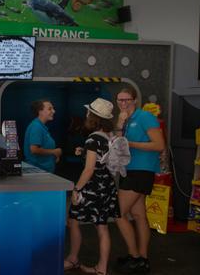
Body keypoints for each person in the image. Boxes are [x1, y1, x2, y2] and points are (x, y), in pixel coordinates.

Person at [64, 98, 120, 275]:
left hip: (91, 187)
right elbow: (102, 159)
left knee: (73, 220)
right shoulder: (109, 136)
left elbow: (89, 170)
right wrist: (84, 151)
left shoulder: (92, 139)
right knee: (102, 227)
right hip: (107, 186)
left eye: (88, 113)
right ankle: (101, 269)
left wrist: (76, 189)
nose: (86, 115)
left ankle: (72, 259)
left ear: (93, 117)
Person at [113, 86, 165, 274]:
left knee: (118, 213)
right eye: (120, 100)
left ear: (135, 100)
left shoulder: (144, 117)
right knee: (139, 215)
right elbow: (120, 145)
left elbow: (159, 145)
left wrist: (131, 144)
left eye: (127, 100)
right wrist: (119, 123)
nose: (123, 103)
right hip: (130, 170)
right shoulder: (126, 119)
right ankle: (143, 258)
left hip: (141, 171)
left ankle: (134, 256)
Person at [23, 99, 62, 172]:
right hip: (37, 172)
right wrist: (54, 152)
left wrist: (54, 156)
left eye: (53, 108)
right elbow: (34, 150)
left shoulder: (41, 127)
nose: (53, 111)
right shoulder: (36, 126)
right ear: (40, 111)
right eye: (50, 109)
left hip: (42, 172)